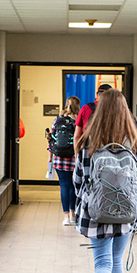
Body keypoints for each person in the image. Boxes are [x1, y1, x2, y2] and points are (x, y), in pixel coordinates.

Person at [73, 88, 137, 273]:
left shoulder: (88, 142)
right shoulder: (134, 145)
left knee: (102, 261)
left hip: (96, 213)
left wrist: (82, 202)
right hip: (126, 214)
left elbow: (79, 179)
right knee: (117, 261)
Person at [48, 96, 80, 225]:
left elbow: (51, 139)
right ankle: (73, 214)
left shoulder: (57, 120)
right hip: (74, 158)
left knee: (64, 186)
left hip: (59, 159)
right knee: (73, 186)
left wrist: (50, 158)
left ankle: (66, 216)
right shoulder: (78, 120)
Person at [73, 83, 111, 149]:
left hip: (89, 150)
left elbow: (77, 136)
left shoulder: (85, 109)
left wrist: (77, 156)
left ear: (97, 94)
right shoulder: (114, 110)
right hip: (108, 151)